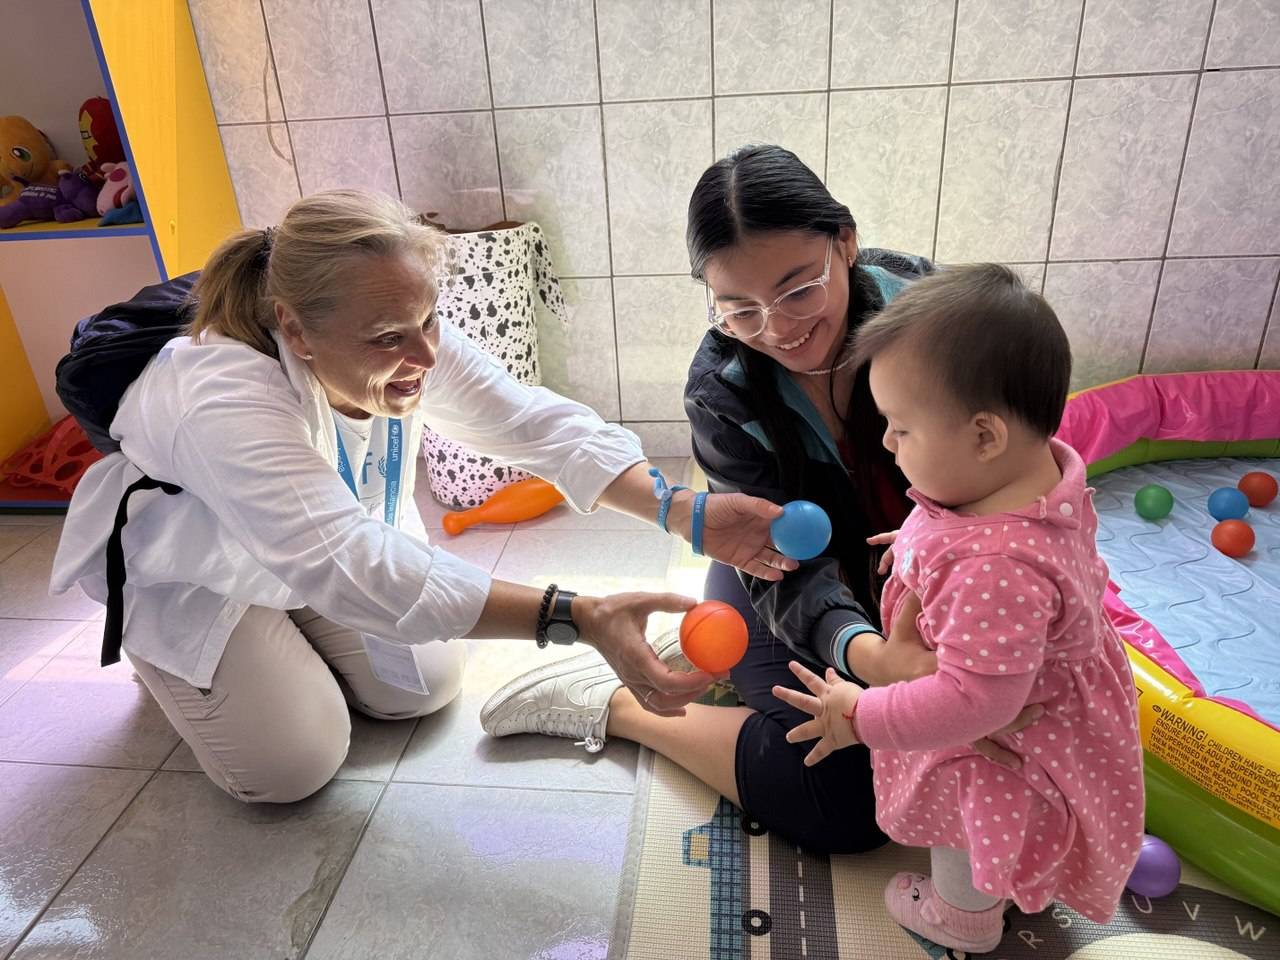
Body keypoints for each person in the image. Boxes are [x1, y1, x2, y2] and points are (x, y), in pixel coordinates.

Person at [50, 189, 790, 804]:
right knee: (294, 764)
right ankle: (177, 666)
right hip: (203, 569)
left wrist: (681, 510)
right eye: (389, 339)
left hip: (317, 540)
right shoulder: (217, 398)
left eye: (430, 319)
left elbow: (522, 417)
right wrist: (578, 616)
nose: (425, 355)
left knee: (422, 687)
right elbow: (346, 561)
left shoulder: (394, 322)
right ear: (296, 331)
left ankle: (291, 645)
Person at [482, 145, 1040, 853]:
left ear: (846, 242)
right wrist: (872, 662)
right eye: (739, 309)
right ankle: (619, 705)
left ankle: (721, 661)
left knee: (1023, 740)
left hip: (923, 574)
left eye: (799, 290)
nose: (778, 329)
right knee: (847, 797)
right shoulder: (724, 388)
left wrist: (967, 656)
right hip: (781, 585)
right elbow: (778, 561)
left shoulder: (935, 319)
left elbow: (1014, 472)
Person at [776, 264, 1144, 953]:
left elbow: (975, 704)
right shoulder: (1040, 474)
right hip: (1038, 694)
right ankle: (1005, 877)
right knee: (990, 809)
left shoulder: (997, 571)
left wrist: (862, 716)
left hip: (1008, 735)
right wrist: (922, 542)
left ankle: (963, 914)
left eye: (901, 428)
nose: (886, 443)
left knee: (972, 801)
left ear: (984, 437)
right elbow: (986, 537)